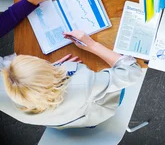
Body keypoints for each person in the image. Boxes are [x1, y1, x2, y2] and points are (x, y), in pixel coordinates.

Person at [0, 30, 142, 128]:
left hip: (61, 120)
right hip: (93, 111)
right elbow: (132, 71)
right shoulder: (82, 83)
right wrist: (91, 45)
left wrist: (48, 71)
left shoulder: (6, 94)